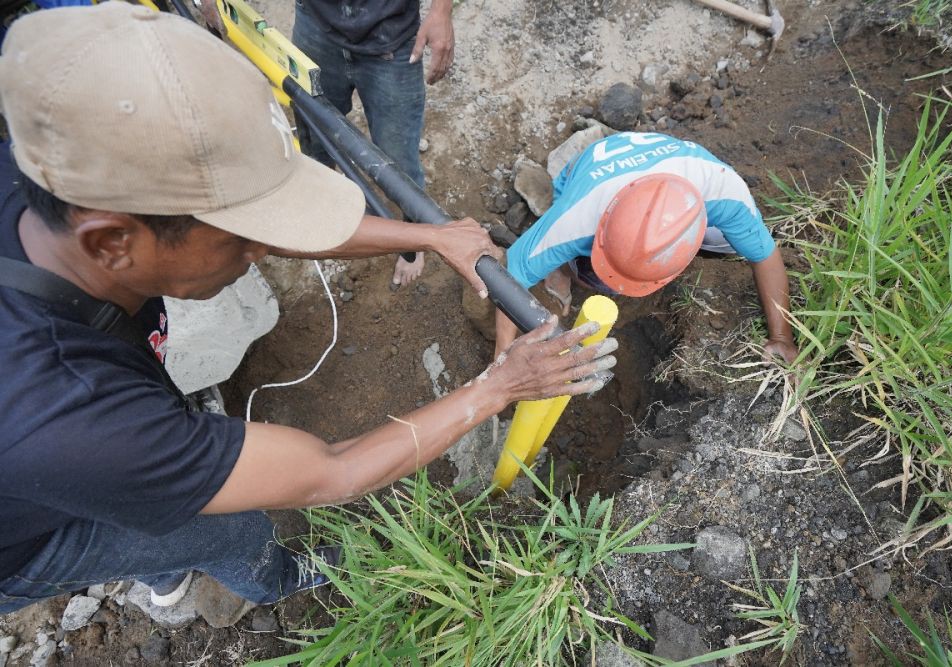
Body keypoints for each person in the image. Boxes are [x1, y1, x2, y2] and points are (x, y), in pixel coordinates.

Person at [0, 3, 615, 614]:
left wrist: (429, 236)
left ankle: (154, 541)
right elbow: (332, 472)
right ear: (112, 242)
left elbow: (265, 227)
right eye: (242, 240)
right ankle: (277, 579)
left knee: (163, 495)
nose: (262, 252)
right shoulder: (71, 421)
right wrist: (499, 386)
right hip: (19, 540)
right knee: (224, 531)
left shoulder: (52, 179)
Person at [202, 0, 453, 289]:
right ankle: (320, 217)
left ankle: (413, 244)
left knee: (399, 161)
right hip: (316, 24)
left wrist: (441, 11)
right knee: (314, 138)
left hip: (391, 37)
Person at [495, 131, 799, 365]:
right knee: (595, 278)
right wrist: (503, 360)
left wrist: (782, 337)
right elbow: (510, 278)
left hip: (671, 166)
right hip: (596, 163)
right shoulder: (577, 217)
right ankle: (564, 267)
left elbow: (765, 255)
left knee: (730, 246)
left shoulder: (725, 192)